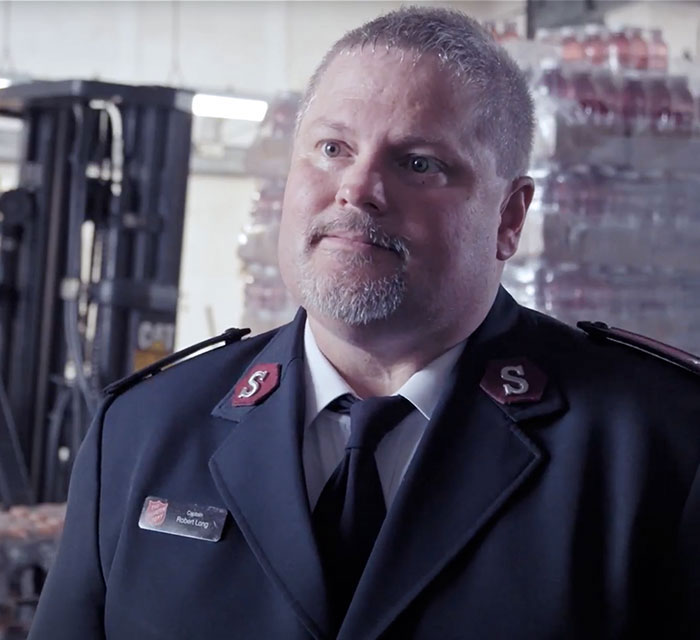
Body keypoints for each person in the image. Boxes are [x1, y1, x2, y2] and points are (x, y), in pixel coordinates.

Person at [30, 7, 699, 639]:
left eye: (417, 163)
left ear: (510, 217)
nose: (357, 188)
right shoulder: (144, 431)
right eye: (332, 147)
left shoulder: (659, 449)